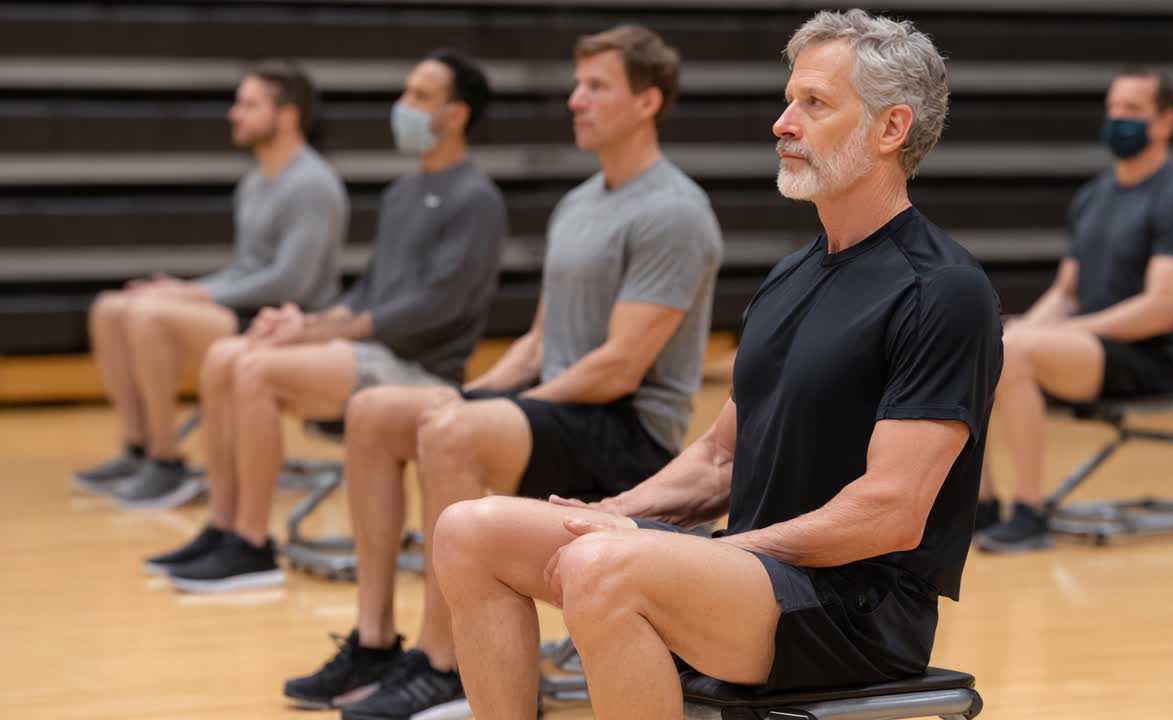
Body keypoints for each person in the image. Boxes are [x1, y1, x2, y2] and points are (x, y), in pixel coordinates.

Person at [433, 10, 1004, 720]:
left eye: (814, 104)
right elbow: (717, 458)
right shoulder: (792, 276)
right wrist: (612, 513)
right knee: (469, 529)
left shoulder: (944, 290)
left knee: (599, 568)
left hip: (855, 610)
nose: (782, 123)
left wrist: (723, 551)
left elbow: (889, 514)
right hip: (751, 571)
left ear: (891, 129)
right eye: (790, 98)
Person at [283, 25, 724, 720]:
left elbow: (617, 367)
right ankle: (374, 640)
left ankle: (445, 663)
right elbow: (538, 338)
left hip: (626, 434)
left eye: (596, 86)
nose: (576, 100)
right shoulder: (578, 203)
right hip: (559, 414)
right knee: (377, 413)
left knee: (455, 433)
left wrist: (489, 412)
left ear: (647, 102)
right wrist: (474, 396)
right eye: (577, 85)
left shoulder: (673, 211)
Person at [142, 50, 506, 591]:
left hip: (420, 371)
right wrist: (304, 323)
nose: (402, 106)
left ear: (456, 114)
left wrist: (330, 330)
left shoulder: (477, 198)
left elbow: (436, 306)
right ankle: (223, 526)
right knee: (227, 355)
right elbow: (367, 291)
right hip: (373, 353)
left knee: (256, 372)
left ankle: (253, 545)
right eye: (405, 92)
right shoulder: (403, 192)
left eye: (419, 96)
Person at [74, 60, 349, 509]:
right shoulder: (253, 183)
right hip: (245, 309)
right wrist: (181, 287)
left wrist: (194, 295)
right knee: (113, 306)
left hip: (289, 324)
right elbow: (245, 270)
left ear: (287, 115)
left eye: (248, 104)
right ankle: (138, 447)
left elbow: (291, 281)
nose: (234, 114)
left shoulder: (313, 185)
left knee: (149, 317)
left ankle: (167, 462)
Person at [974, 67, 1173, 553]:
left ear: (1166, 121)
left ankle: (1030, 511)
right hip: (1088, 347)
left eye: (1133, 110)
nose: (1118, 119)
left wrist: (1048, 338)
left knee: (1017, 353)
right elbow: (1067, 292)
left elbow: (1160, 310)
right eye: (1113, 109)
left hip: (1150, 357)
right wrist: (1018, 329)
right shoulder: (1093, 197)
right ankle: (979, 508)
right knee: (980, 346)